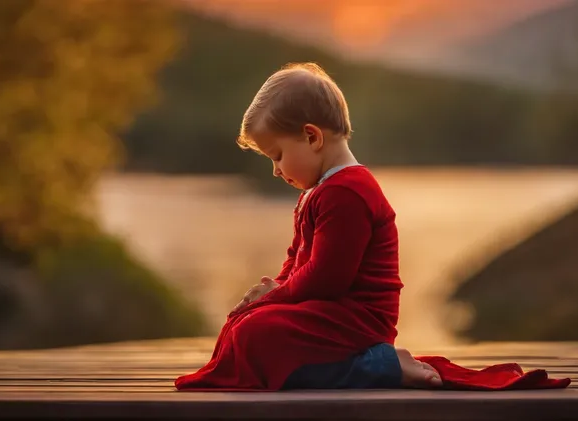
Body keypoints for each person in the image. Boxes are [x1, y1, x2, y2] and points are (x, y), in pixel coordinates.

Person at [175, 62, 443, 391]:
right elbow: (296, 259)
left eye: (277, 155)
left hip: (357, 320)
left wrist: (278, 295)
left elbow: (326, 278)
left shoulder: (347, 192)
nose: (275, 170)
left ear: (311, 136)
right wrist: (273, 291)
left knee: (255, 335)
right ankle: (368, 363)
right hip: (329, 311)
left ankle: (382, 364)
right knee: (243, 323)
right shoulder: (317, 192)